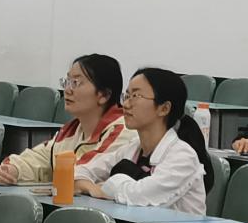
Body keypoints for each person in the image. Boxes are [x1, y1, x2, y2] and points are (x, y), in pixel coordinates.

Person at [77, 68, 216, 213]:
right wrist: (92, 187)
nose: (126, 104)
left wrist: (106, 185)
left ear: (164, 108)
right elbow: (82, 171)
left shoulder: (183, 157)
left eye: (136, 96)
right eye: (127, 96)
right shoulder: (132, 148)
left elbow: (141, 197)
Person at [0, 55, 129, 184]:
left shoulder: (123, 130)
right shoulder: (71, 131)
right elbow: (38, 158)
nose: (67, 90)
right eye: (67, 81)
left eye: (76, 82)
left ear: (104, 95)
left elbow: (84, 172)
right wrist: (11, 170)